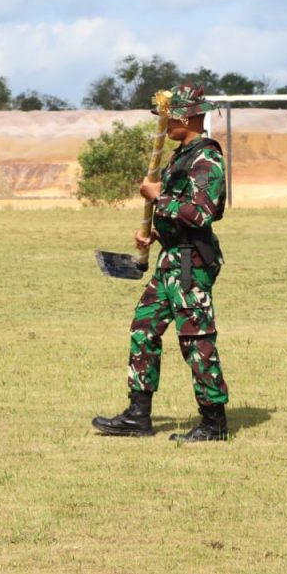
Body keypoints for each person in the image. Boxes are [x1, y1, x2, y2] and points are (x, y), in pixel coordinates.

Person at [92, 82, 230, 443]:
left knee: (195, 339)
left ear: (187, 116)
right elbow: (178, 210)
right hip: (171, 256)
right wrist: (155, 233)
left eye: (169, 118)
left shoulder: (207, 159)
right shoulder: (181, 156)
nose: (165, 124)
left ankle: (214, 422)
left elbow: (201, 213)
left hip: (190, 262)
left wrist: (158, 196)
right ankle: (138, 415)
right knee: (144, 328)